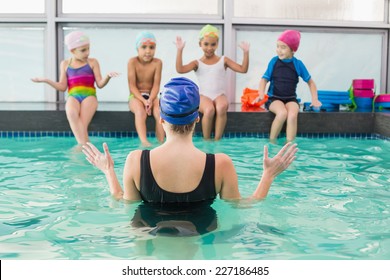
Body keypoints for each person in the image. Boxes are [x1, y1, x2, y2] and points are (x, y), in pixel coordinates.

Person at [82, 77, 298, 204]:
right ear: (197, 117)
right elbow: (245, 205)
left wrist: (108, 170)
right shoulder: (221, 164)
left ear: (161, 118)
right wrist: (268, 175)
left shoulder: (135, 161)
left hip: (150, 250)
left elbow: (124, 203)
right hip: (202, 248)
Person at [32, 31, 119, 145]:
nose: (87, 52)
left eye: (88, 48)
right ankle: (85, 146)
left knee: (82, 124)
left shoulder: (93, 62)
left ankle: (82, 147)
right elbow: (63, 87)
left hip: (89, 96)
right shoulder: (65, 64)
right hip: (73, 96)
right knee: (71, 113)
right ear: (72, 51)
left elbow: (100, 84)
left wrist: (108, 77)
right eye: (83, 50)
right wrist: (46, 80)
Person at [175, 24, 250, 140]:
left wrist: (246, 53)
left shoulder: (223, 60)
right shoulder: (197, 63)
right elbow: (180, 69)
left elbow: (243, 69)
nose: (209, 47)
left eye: (213, 44)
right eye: (206, 44)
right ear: (200, 44)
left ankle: (217, 140)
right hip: (204, 96)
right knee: (209, 110)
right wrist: (180, 50)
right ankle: (207, 140)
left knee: (221, 107)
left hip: (219, 95)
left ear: (217, 44)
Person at [253, 29, 321, 143]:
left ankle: (289, 145)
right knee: (282, 113)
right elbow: (264, 80)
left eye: (283, 47)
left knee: (293, 114)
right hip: (274, 98)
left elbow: (311, 83)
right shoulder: (274, 62)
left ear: (293, 49)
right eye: (277, 46)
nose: (279, 50)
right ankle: (272, 142)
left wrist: (315, 99)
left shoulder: (297, 64)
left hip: (290, 99)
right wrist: (261, 93)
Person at [128, 31, 164, 147]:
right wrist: (144, 101)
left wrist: (150, 99)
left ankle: (161, 142)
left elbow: (156, 86)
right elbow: (132, 87)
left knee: (160, 112)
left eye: (151, 47)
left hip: (152, 95)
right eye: (144, 47)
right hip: (136, 96)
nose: (148, 51)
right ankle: (144, 142)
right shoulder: (132, 62)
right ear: (137, 48)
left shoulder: (157, 63)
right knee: (140, 112)